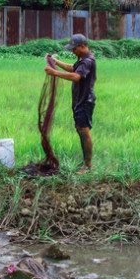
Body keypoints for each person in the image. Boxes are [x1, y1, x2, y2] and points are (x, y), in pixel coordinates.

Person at [45, 34, 96, 174]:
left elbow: (76, 76)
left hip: (85, 101)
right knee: (80, 130)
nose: (73, 51)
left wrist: (55, 72)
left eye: (74, 49)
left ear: (83, 46)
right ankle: (86, 161)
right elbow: (73, 68)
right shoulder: (82, 59)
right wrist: (56, 62)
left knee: (84, 132)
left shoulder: (88, 61)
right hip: (79, 100)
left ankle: (88, 166)